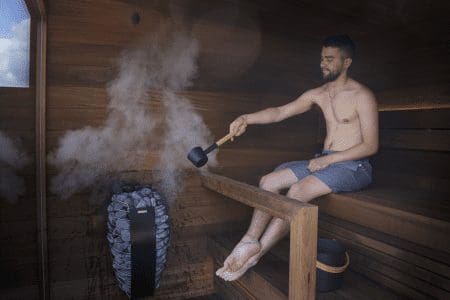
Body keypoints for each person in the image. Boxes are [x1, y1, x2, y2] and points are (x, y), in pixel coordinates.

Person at [216, 34, 379, 281]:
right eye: (322, 58)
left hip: (353, 166)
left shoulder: (362, 96)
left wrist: (329, 161)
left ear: (347, 62)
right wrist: (246, 118)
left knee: (298, 192)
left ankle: (256, 255)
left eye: (330, 59)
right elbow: (280, 112)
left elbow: (370, 146)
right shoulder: (319, 93)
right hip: (325, 160)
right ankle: (248, 241)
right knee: (268, 181)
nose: (323, 63)